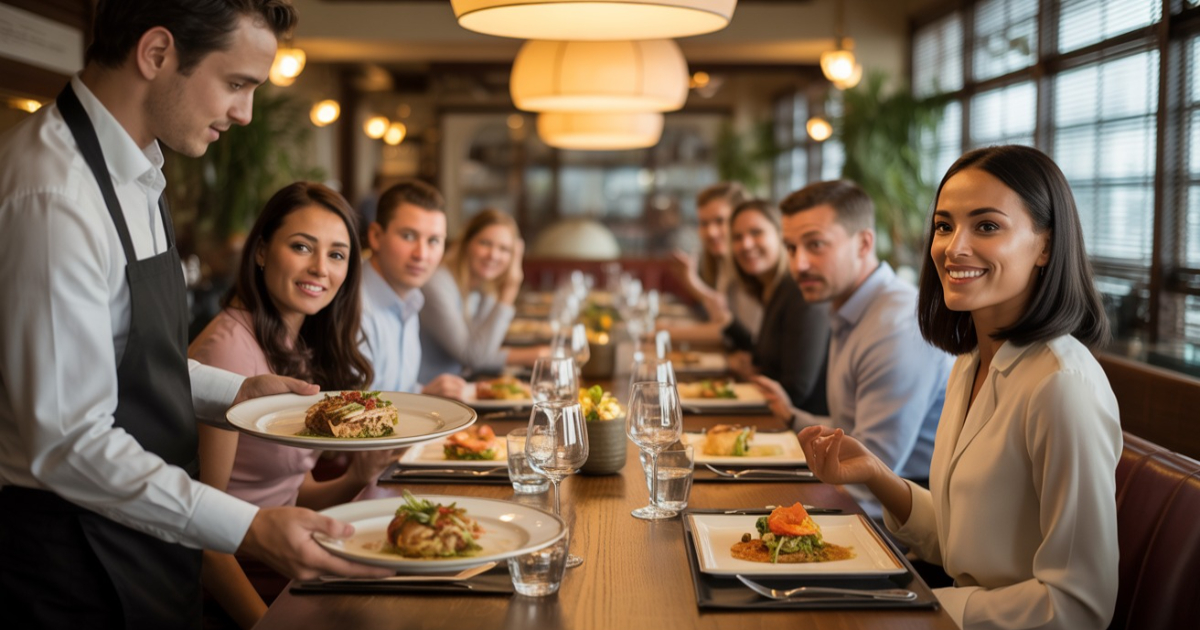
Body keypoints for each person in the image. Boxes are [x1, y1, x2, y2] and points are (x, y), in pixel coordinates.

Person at [0, 2, 388, 627]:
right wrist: (249, 526)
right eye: (236, 83)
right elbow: (68, 442)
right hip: (73, 561)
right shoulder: (54, 194)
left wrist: (237, 392)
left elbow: (131, 356)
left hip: (148, 544)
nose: (245, 112)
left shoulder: (141, 172)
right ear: (156, 54)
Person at [798, 145, 1121, 629]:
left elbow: (1078, 605)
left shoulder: (1062, 386)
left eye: (986, 226)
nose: (953, 247)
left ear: (1046, 246)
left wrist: (928, 608)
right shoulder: (971, 362)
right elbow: (960, 541)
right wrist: (876, 474)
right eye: (944, 226)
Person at [190, 182, 398, 628]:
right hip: (240, 581)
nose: (320, 267)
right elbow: (201, 532)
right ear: (261, 251)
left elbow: (293, 493)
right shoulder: (227, 352)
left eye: (337, 254)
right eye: (302, 247)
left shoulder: (293, 345)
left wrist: (356, 476)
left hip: (289, 563)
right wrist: (264, 623)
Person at [757, 180, 951, 517]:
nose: (798, 264)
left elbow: (869, 471)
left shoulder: (896, 326)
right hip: (864, 500)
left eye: (815, 245)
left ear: (863, 243)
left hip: (907, 522)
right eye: (790, 248)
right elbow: (850, 429)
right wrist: (791, 416)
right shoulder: (851, 306)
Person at [360, 179, 465, 397]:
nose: (421, 254)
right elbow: (352, 408)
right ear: (376, 236)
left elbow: (391, 390)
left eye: (434, 240)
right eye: (408, 236)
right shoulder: (354, 306)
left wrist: (424, 393)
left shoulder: (410, 298)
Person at [724, 199, 829, 415]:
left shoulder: (799, 290)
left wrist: (751, 375)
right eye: (737, 237)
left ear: (782, 237)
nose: (746, 244)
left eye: (756, 233)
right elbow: (770, 359)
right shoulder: (773, 288)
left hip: (804, 427)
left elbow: (796, 389)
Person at [418, 208, 542, 382]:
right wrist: (509, 291)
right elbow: (473, 357)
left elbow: (483, 349)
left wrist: (536, 355)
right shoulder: (437, 283)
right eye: (485, 243)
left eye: (504, 249)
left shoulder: (483, 287)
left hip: (459, 385)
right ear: (466, 243)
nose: (493, 255)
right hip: (426, 393)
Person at [666, 182, 764, 344]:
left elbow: (735, 333)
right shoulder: (725, 262)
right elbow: (724, 320)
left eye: (720, 221)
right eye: (704, 223)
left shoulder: (752, 266)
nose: (711, 232)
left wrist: (665, 333)